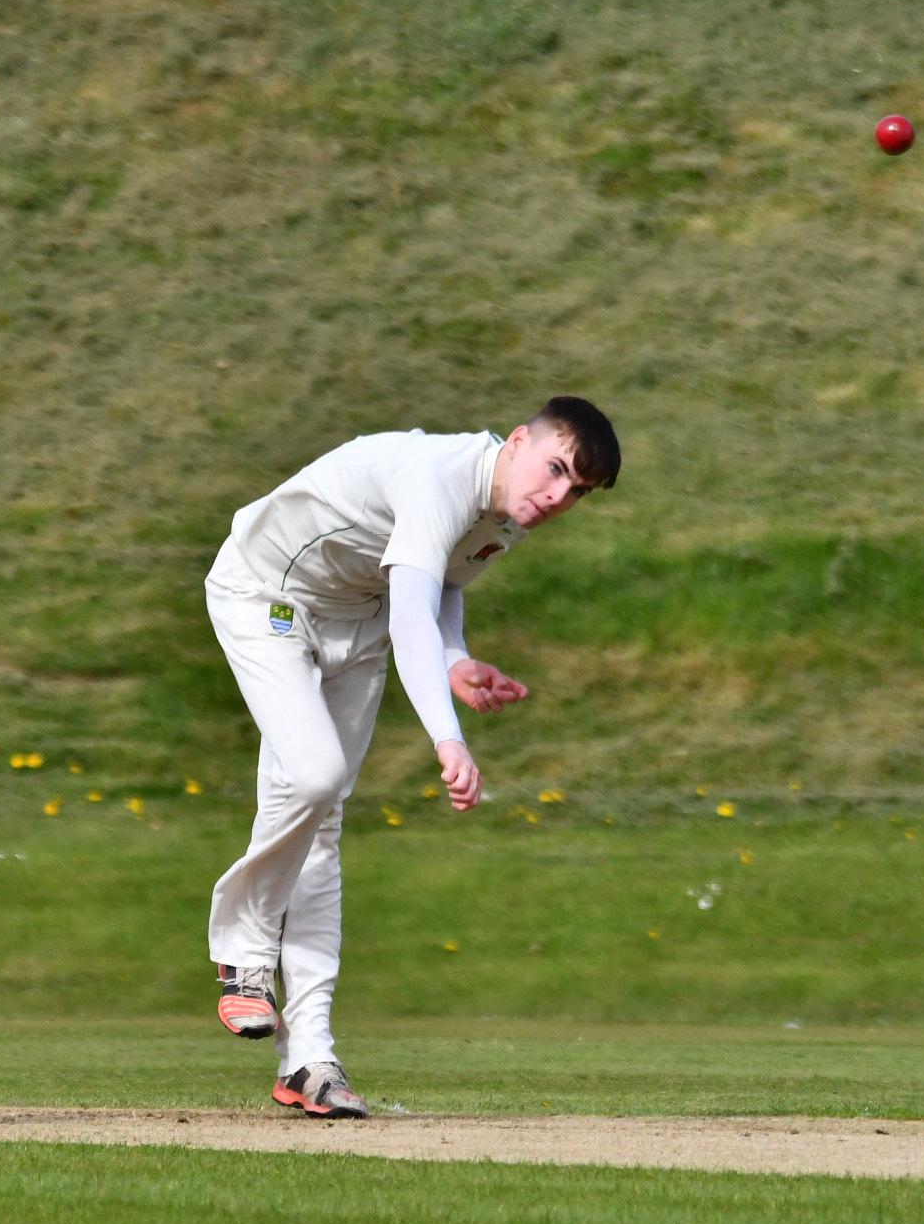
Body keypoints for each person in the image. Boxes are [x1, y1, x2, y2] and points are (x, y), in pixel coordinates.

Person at [204, 399, 621, 1117]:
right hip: (267, 593)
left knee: (322, 820)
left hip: (357, 617)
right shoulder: (439, 478)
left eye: (577, 490)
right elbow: (411, 617)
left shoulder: (507, 514)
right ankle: (244, 951)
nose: (558, 497)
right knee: (316, 776)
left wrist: (455, 659)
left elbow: (443, 587)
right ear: (518, 441)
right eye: (555, 469)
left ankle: (309, 1059)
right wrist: (447, 736)